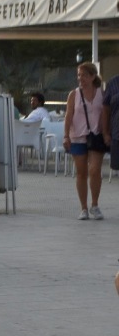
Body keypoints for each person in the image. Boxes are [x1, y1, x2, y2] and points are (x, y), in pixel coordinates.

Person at [63, 62, 107, 220]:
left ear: (93, 76)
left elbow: (106, 113)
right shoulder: (74, 94)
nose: (80, 78)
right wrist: (66, 135)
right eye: (79, 75)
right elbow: (68, 116)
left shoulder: (101, 93)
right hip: (78, 136)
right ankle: (83, 208)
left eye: (84, 75)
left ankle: (95, 205)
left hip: (96, 136)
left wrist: (106, 133)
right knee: (81, 173)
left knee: (95, 170)